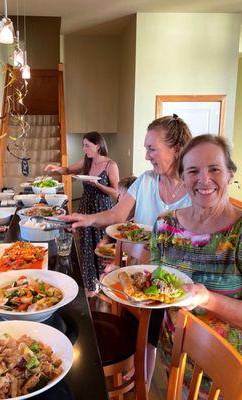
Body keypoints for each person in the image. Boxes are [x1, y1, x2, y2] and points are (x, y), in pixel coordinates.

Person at [61, 115, 193, 388]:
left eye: (152, 149)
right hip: (137, 274)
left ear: (177, 149)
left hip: (171, 281)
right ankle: (139, 369)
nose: (146, 156)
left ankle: (146, 378)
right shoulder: (145, 180)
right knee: (137, 329)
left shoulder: (194, 191)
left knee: (158, 338)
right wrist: (87, 219)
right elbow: (118, 213)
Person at [151, 134, 242, 396]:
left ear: (230, 174)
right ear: (183, 177)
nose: (204, 180)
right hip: (177, 364)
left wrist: (207, 299)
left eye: (214, 169)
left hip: (231, 379)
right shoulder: (164, 226)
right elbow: (155, 289)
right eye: (193, 171)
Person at [44, 131, 120, 293]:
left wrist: (97, 184)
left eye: (87, 145)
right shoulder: (86, 162)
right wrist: (55, 168)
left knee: (102, 248)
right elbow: (67, 169)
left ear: (98, 146)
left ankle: (105, 285)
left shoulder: (110, 165)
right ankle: (90, 286)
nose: (84, 149)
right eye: (83, 146)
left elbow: (116, 192)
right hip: (85, 208)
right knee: (86, 248)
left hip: (102, 210)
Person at [96, 175, 137, 249]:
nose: (118, 198)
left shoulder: (138, 218)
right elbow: (112, 228)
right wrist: (105, 241)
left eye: (120, 195)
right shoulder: (120, 212)